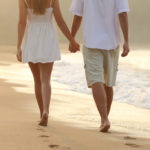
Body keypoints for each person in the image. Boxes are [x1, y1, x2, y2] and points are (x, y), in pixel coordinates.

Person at [69, 0, 130, 132]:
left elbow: (78, 15)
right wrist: (126, 40)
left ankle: (104, 119)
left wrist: (72, 38)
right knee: (108, 83)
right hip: (112, 42)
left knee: (96, 80)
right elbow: (123, 13)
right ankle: (105, 119)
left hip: (92, 41)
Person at [17, 0, 80, 126]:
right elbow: (60, 21)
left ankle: (42, 113)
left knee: (37, 80)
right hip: (48, 37)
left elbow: (22, 22)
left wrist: (19, 46)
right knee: (45, 79)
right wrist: (72, 40)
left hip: (31, 37)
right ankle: (46, 110)